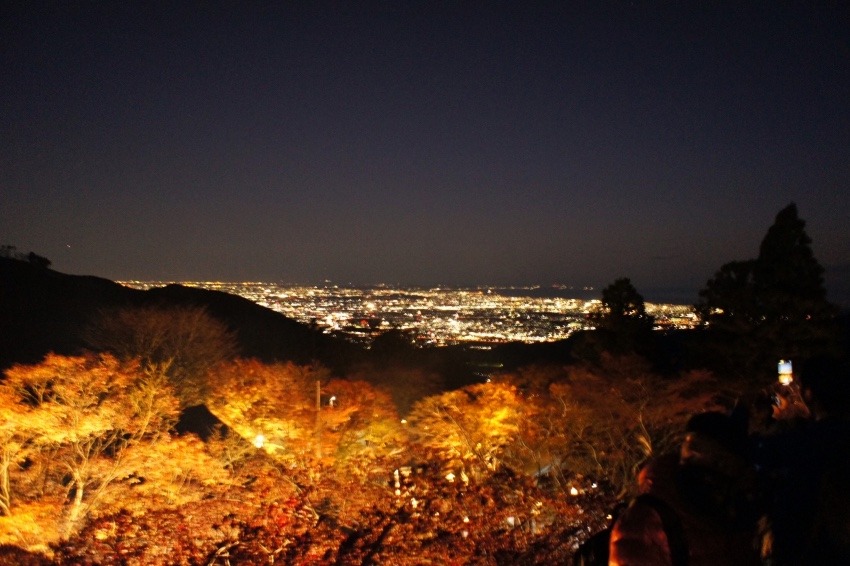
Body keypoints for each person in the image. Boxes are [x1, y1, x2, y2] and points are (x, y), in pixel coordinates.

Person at [608, 411, 760, 566]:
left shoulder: (737, 511)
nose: (694, 455)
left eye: (723, 463)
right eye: (691, 452)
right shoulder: (647, 520)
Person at [755, 356, 850, 564]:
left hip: (809, 547)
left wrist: (777, 420)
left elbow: (761, 457)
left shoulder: (803, 441)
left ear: (809, 393)